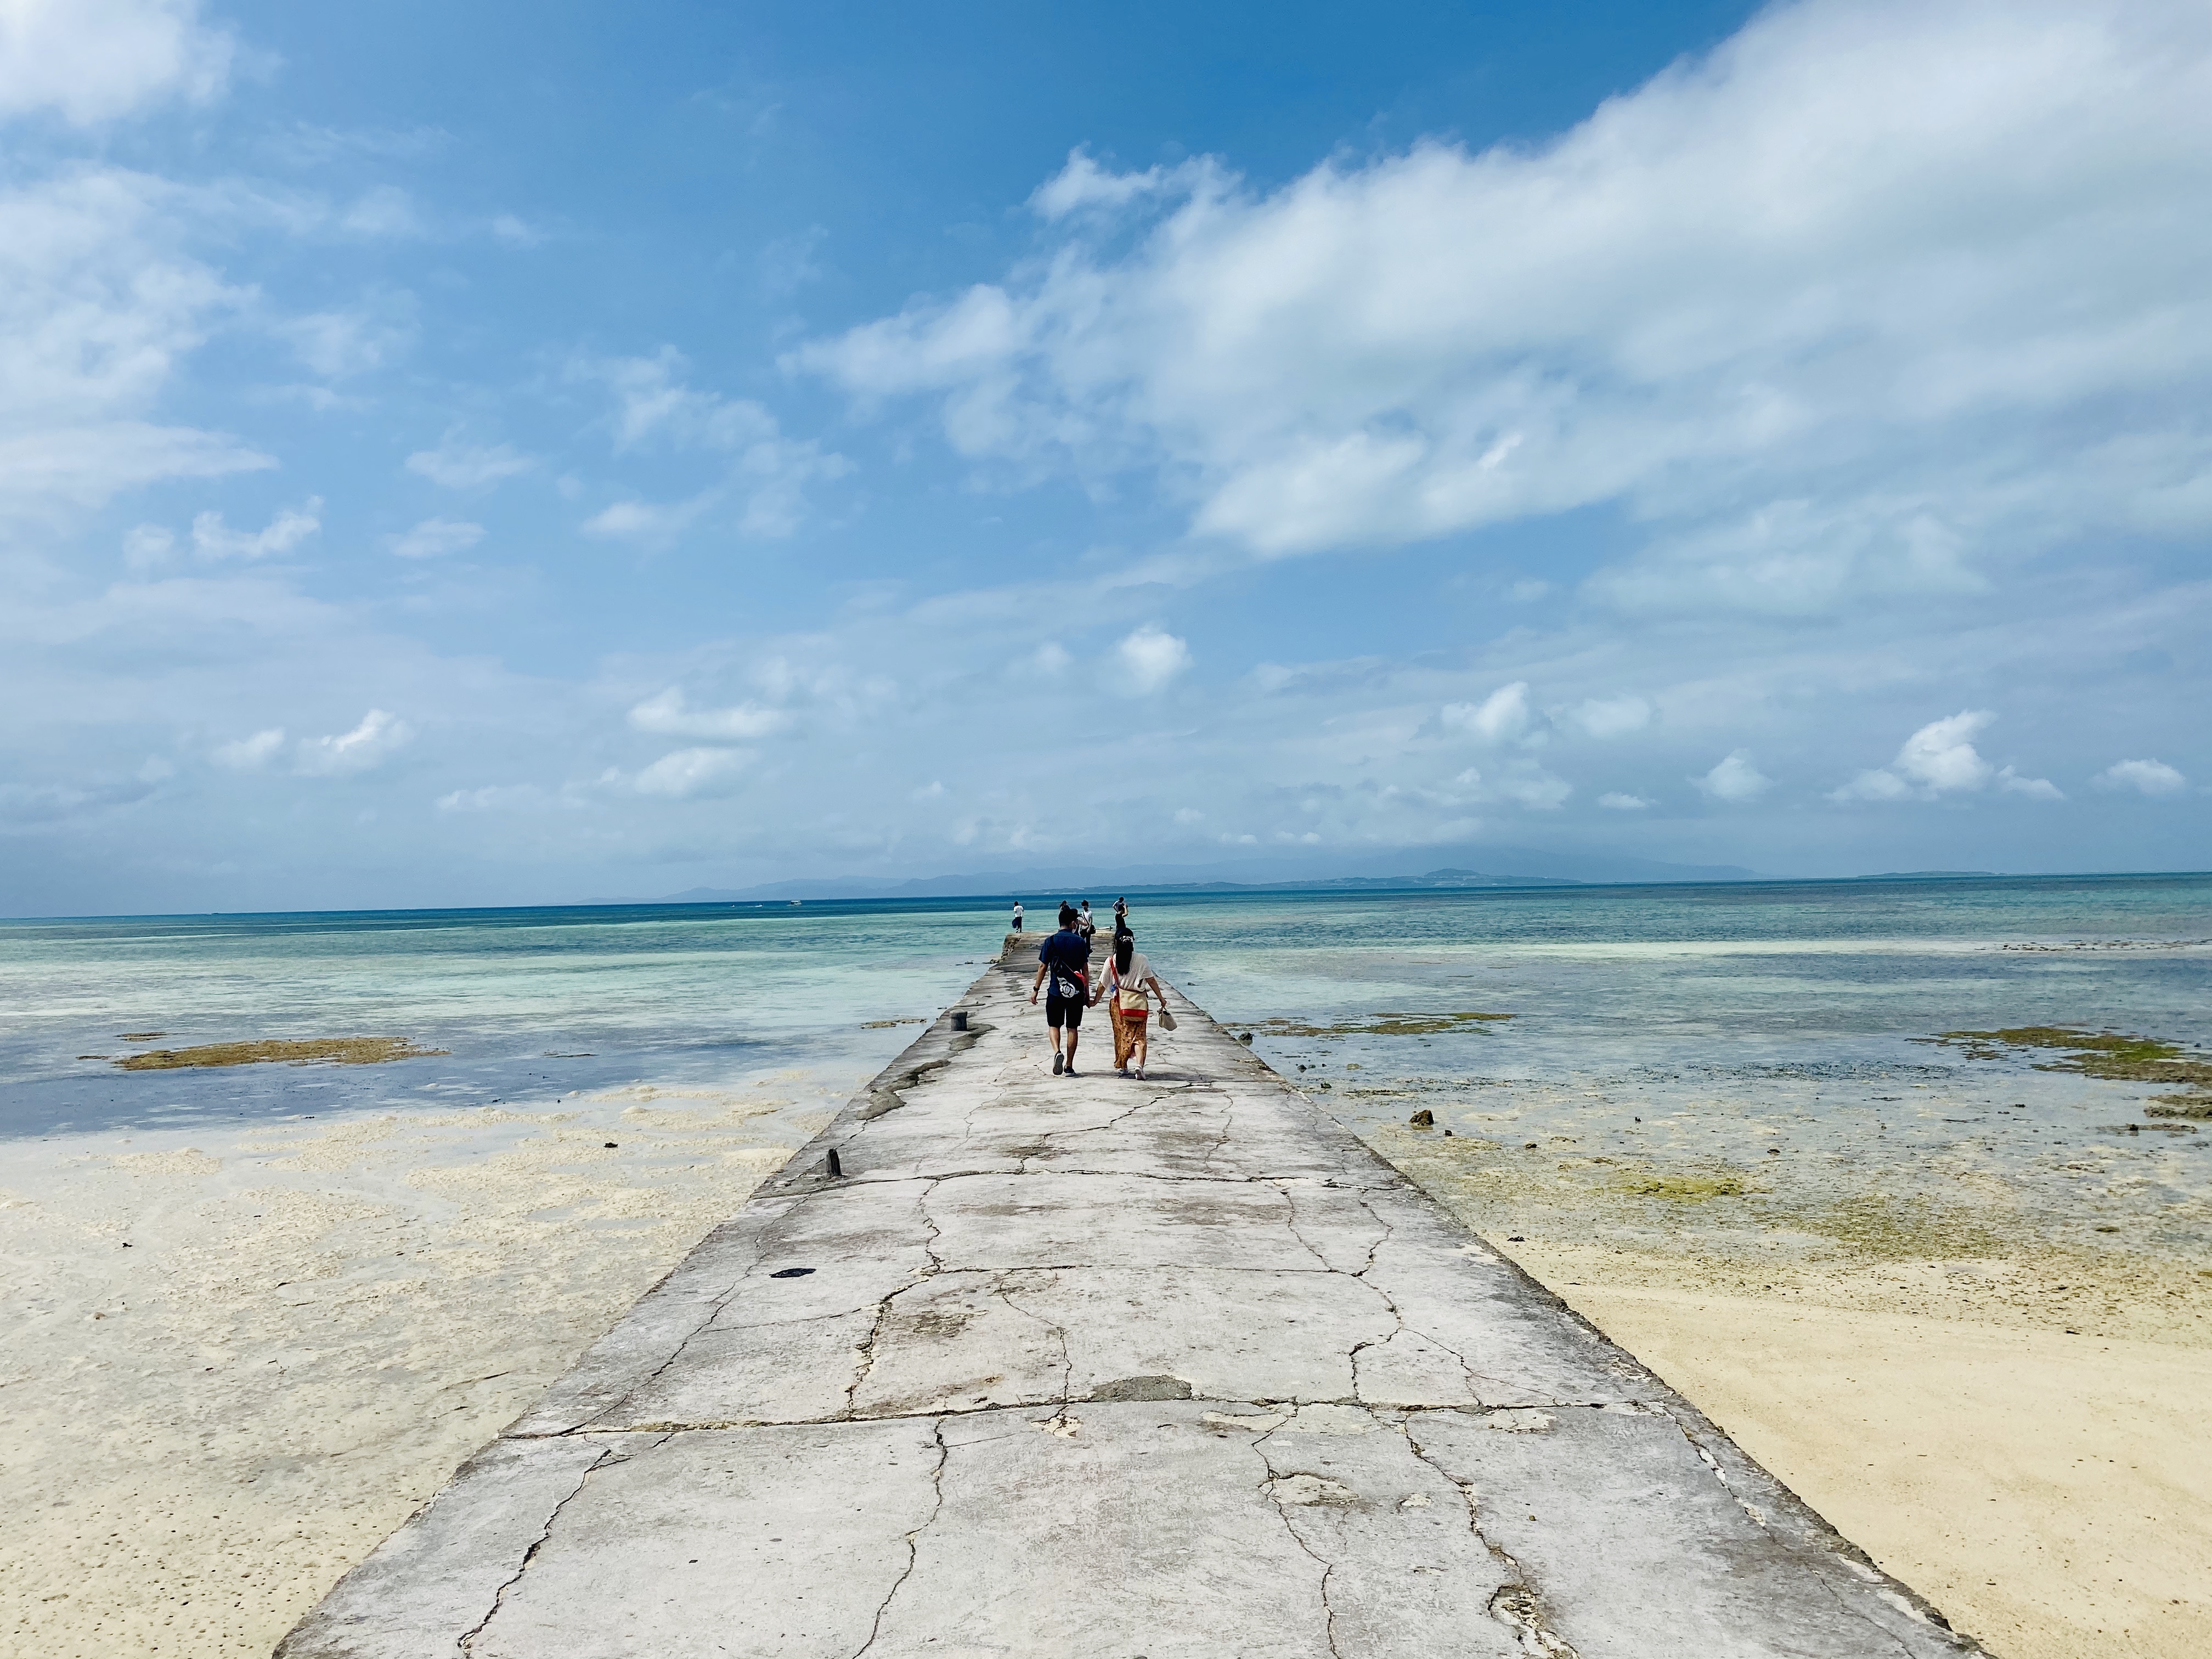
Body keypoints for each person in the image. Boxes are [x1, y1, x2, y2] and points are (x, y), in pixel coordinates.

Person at [1093, 929, 1166, 1079]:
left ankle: (1123, 1066)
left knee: (1122, 1035)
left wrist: (1094, 1001)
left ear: (1116, 943)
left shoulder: (1111, 961)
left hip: (1119, 1004)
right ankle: (1139, 1065)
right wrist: (1161, 999)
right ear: (1132, 942)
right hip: (1139, 1003)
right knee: (1139, 1037)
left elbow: (1103, 983)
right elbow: (1151, 980)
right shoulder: (1141, 959)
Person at [1028, 903, 1091, 1075]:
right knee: (1072, 1028)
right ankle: (1069, 1066)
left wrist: (1036, 990)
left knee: (1054, 1025)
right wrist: (1087, 994)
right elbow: (1085, 970)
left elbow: (1042, 967)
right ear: (1072, 923)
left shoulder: (1051, 941)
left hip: (1056, 991)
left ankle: (1057, 1052)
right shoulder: (1080, 942)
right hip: (1076, 992)